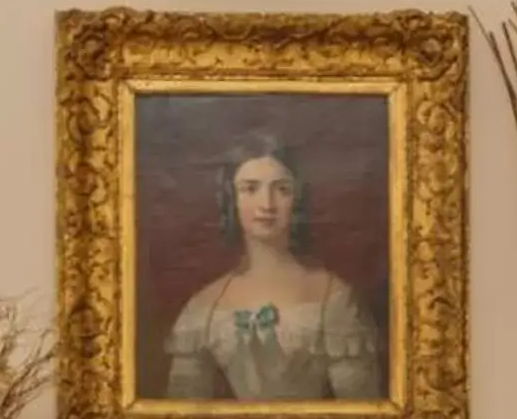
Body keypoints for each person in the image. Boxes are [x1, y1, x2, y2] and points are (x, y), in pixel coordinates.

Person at [162, 132, 384, 402]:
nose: (266, 205)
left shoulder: (333, 298)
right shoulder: (205, 305)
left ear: (298, 200)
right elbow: (181, 415)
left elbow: (362, 414)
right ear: (232, 200)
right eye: (250, 189)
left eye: (282, 189)